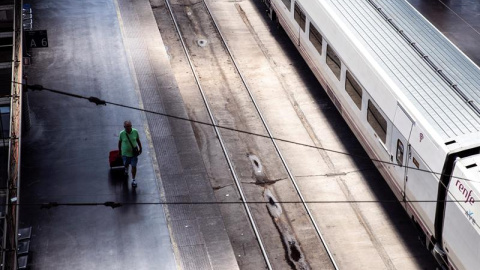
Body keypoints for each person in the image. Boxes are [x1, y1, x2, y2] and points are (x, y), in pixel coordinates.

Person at [118, 120, 142, 187]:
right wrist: (119, 151)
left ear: (131, 126)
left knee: (134, 166)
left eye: (129, 126)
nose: (128, 128)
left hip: (134, 154)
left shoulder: (135, 131)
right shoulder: (122, 133)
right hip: (125, 154)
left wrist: (140, 148)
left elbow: (138, 140)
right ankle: (126, 169)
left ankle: (133, 179)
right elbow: (120, 142)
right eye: (127, 127)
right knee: (126, 164)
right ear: (124, 127)